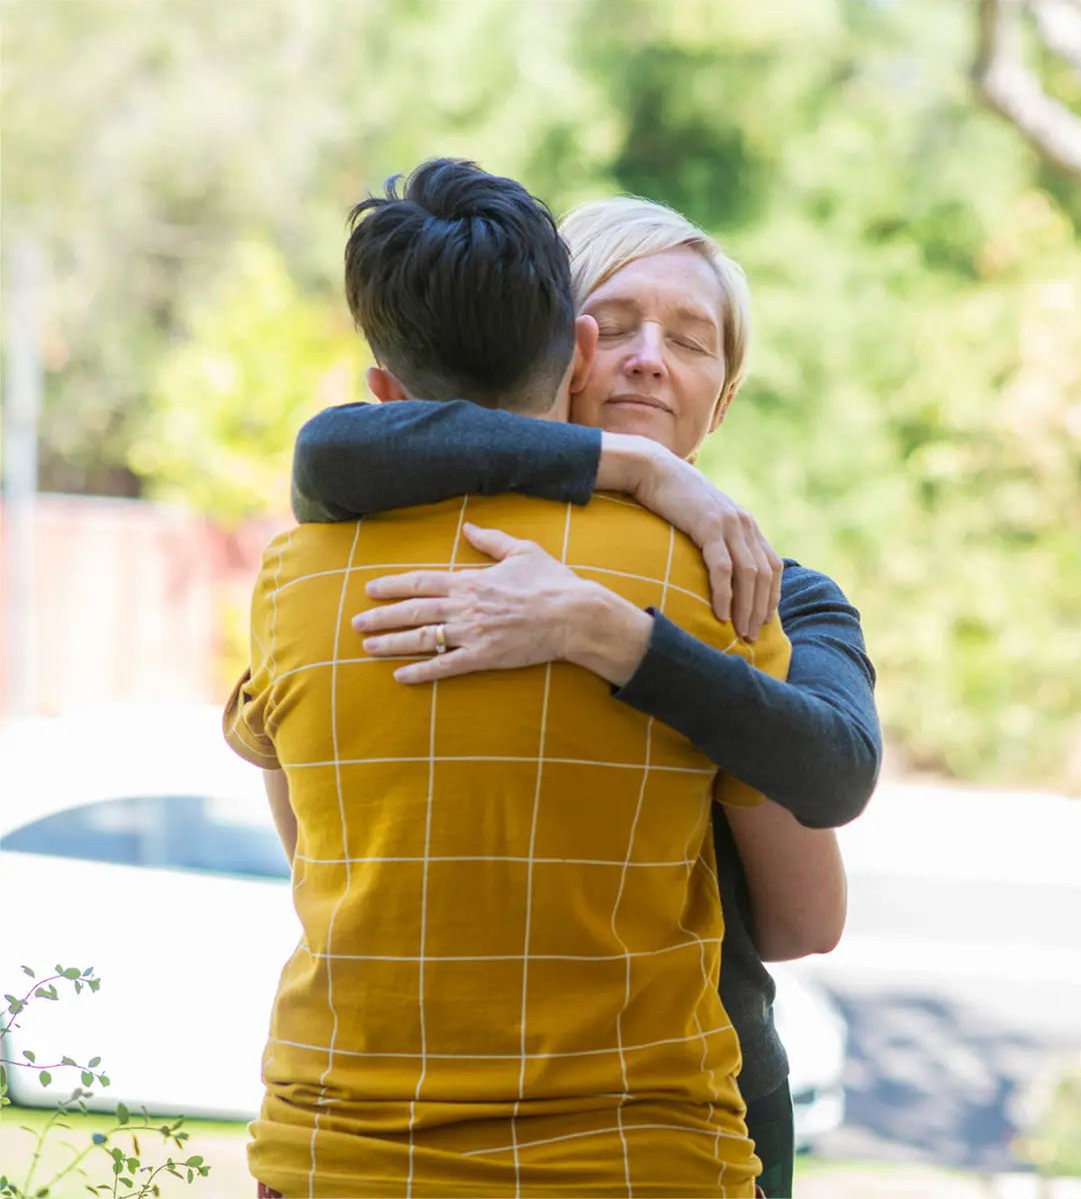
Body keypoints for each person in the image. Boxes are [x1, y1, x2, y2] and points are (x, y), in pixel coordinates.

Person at [285, 194, 880, 1198]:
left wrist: (615, 635)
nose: (651, 356)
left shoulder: (783, 595)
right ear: (562, 349)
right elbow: (330, 447)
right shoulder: (394, 543)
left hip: (704, 1095)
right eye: (620, 323)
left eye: (691, 340)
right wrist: (636, 468)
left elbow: (824, 818)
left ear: (723, 399)